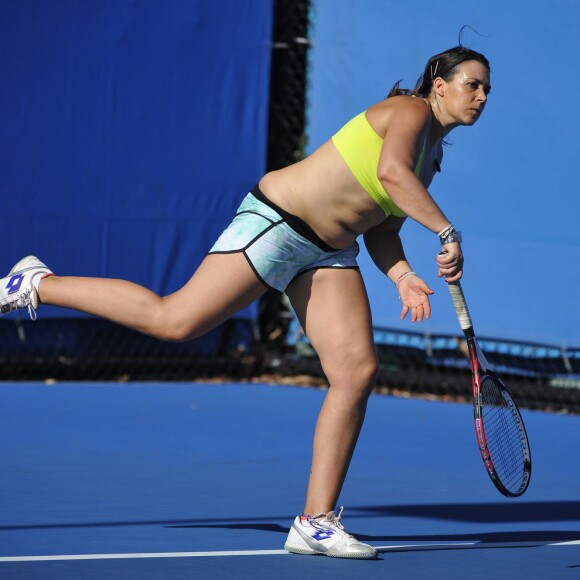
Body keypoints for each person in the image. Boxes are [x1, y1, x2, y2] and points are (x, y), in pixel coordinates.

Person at [0, 44, 490, 559]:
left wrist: (404, 276)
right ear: (439, 84)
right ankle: (34, 284)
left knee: (356, 372)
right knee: (175, 321)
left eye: (486, 90)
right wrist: (445, 230)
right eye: (471, 84)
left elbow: (382, 228)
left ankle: (314, 521)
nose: (480, 96)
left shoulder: (431, 155)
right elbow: (391, 173)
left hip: (329, 252)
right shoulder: (409, 113)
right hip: (279, 225)